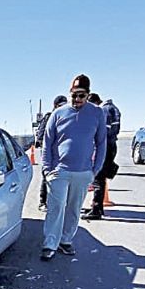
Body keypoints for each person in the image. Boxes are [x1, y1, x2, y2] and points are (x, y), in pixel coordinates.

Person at [40, 74, 106, 261]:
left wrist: (95, 170)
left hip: (83, 172)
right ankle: (49, 244)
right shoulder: (58, 113)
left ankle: (65, 240)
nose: (77, 99)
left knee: (74, 208)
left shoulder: (96, 113)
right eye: (74, 95)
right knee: (56, 207)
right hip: (59, 171)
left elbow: (101, 142)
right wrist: (47, 169)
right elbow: (47, 142)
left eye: (81, 95)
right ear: (69, 93)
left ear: (88, 95)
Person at [84, 94, 121, 220]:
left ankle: (96, 209)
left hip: (105, 146)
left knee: (98, 178)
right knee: (101, 177)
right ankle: (98, 207)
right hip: (111, 145)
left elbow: (102, 133)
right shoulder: (113, 109)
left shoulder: (104, 111)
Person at [35, 95, 68, 212]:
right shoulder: (49, 117)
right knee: (47, 176)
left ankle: (61, 202)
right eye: (60, 106)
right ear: (55, 106)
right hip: (49, 152)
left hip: (62, 154)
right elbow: (41, 133)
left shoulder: (68, 117)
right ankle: (43, 202)